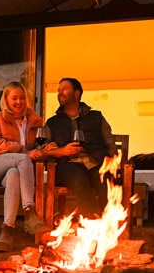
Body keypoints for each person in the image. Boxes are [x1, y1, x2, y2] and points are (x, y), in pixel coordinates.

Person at [0, 81, 51, 252]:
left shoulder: (33, 122)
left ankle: (7, 230)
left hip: (12, 170)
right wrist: (18, 149)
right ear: (6, 100)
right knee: (23, 160)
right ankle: (30, 213)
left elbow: (38, 146)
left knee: (14, 173)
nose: (19, 102)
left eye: (22, 98)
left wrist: (44, 149)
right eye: (14, 98)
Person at [44, 77, 117, 219]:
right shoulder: (52, 123)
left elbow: (109, 141)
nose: (60, 93)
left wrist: (113, 164)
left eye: (65, 89)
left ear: (77, 93)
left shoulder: (96, 116)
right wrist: (52, 149)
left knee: (105, 182)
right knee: (79, 180)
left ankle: (109, 222)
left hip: (96, 161)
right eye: (59, 90)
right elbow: (42, 148)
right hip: (69, 164)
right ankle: (95, 220)